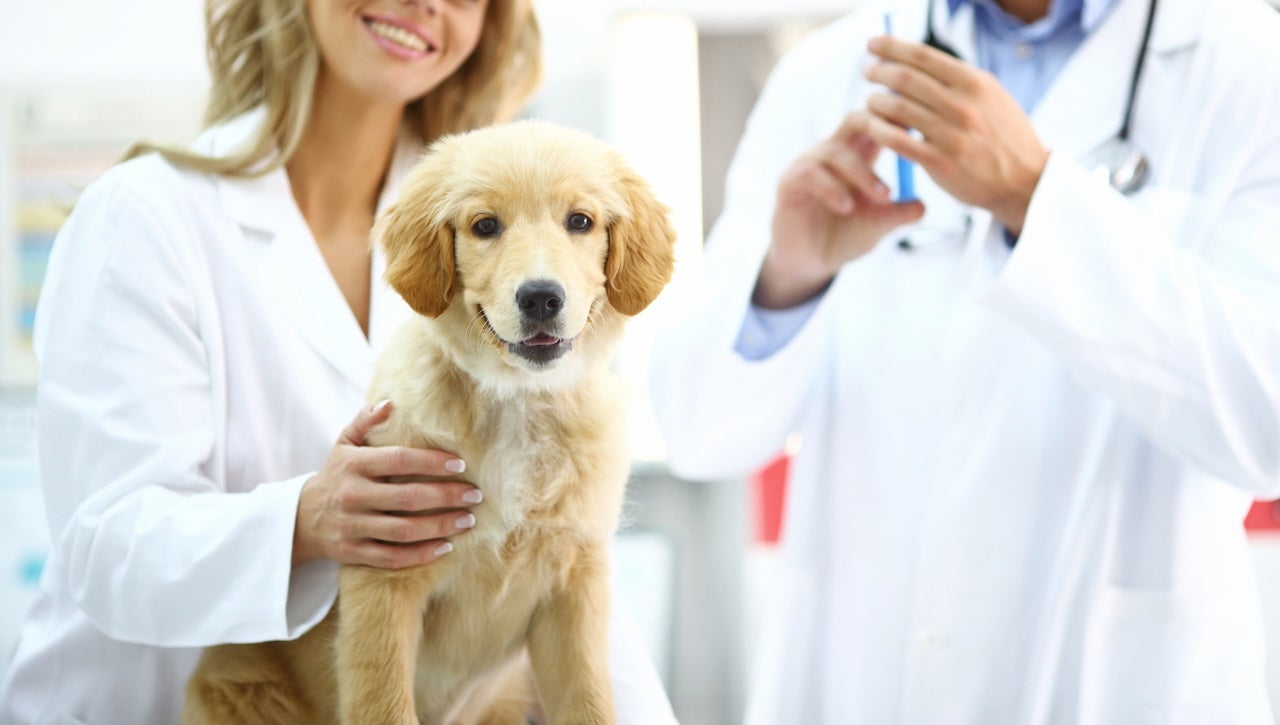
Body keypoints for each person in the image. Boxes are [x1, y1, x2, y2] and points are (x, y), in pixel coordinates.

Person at [0, 1, 677, 723]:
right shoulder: (142, 217)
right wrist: (306, 519)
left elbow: (565, 571)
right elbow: (105, 552)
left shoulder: (474, 215)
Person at [650, 0, 1280, 722]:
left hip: (1119, 683)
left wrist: (1035, 199)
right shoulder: (833, 71)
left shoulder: (1249, 65)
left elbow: (1267, 423)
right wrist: (787, 279)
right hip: (860, 680)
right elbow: (698, 430)